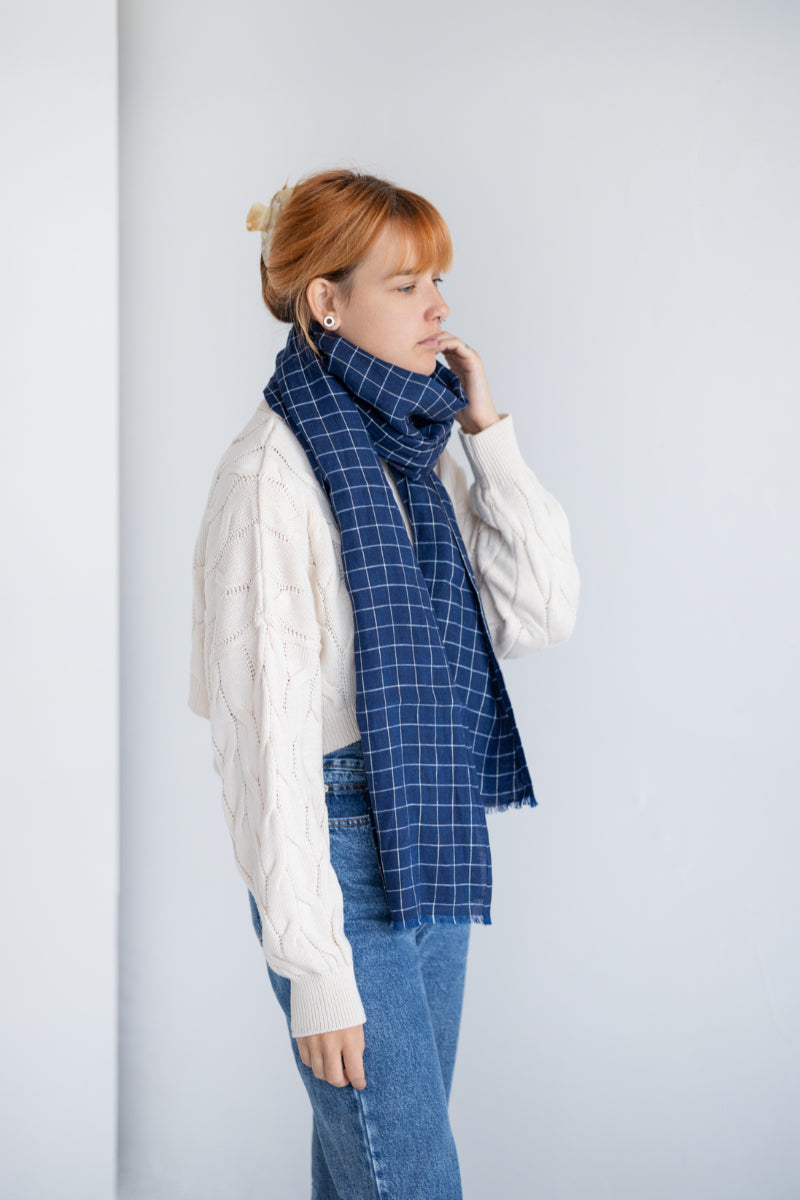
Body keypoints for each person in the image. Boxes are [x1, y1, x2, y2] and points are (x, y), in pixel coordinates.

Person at [188, 168, 580, 1199]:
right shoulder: (270, 476)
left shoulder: (418, 448)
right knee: (408, 1177)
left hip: (430, 825)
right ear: (327, 300)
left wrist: (488, 438)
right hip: (336, 855)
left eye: (437, 279)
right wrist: (313, 965)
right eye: (406, 284)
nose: (439, 308)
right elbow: (261, 745)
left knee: (363, 1171)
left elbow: (540, 615)